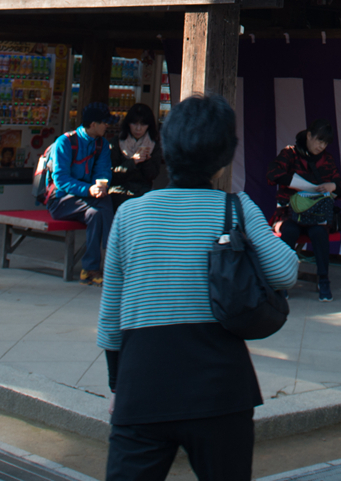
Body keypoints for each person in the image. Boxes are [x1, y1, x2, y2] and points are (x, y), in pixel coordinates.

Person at [97, 95, 299, 481]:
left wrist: (115, 385)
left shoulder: (130, 215)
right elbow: (285, 272)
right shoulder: (236, 209)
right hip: (221, 387)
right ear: (224, 157)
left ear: (167, 148)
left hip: (142, 384)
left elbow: (110, 317)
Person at [266, 119, 341, 302]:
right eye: (319, 140)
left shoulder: (328, 159)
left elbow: (340, 185)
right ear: (309, 135)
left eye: (325, 143)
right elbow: (272, 174)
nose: (321, 146)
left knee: (319, 233)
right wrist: (295, 183)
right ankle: (282, 281)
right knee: (289, 232)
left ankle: (324, 280)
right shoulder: (290, 154)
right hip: (289, 214)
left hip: (316, 214)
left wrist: (332, 185)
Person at [46, 102, 116, 282]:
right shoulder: (65, 142)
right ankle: (112, 259)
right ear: (93, 124)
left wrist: (102, 186)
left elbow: (103, 171)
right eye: (104, 122)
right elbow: (61, 180)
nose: (107, 125)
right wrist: (89, 189)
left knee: (97, 213)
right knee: (104, 205)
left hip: (89, 201)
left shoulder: (102, 144)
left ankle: (90, 270)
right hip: (61, 201)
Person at [109, 103, 163, 204]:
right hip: (119, 192)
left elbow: (153, 175)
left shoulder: (153, 144)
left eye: (143, 124)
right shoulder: (116, 142)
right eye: (134, 123)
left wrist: (146, 161)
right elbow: (111, 175)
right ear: (128, 123)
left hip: (144, 194)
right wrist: (133, 162)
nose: (138, 129)